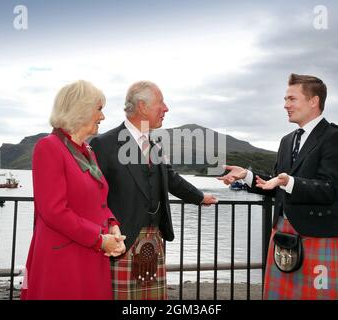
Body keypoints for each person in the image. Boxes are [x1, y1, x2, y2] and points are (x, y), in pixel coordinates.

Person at [218, 73, 338, 300]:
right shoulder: (287, 140)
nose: (285, 105)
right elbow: (275, 182)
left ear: (314, 101)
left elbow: (330, 189)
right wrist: (247, 176)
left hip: (317, 236)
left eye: (291, 99)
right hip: (282, 235)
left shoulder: (336, 137)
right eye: (285, 99)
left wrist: (288, 181)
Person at [90, 81, 218, 299]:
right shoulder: (104, 144)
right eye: (161, 103)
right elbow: (94, 196)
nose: (166, 109)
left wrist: (200, 197)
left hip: (154, 239)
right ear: (142, 106)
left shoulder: (154, 145)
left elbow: (171, 179)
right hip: (122, 242)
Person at [21, 80, 126, 300]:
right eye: (99, 109)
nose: (102, 117)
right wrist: (99, 239)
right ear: (82, 109)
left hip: (91, 254)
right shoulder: (49, 147)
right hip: (64, 261)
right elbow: (53, 211)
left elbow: (100, 201)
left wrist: (113, 226)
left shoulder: (87, 150)